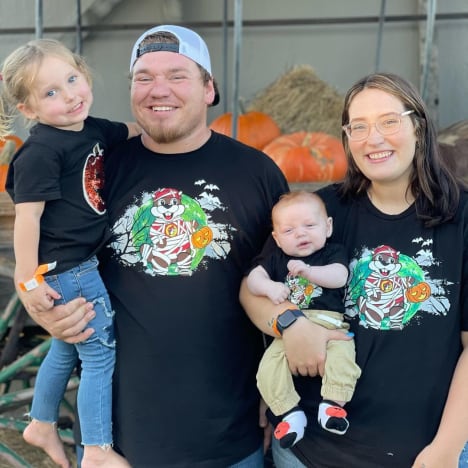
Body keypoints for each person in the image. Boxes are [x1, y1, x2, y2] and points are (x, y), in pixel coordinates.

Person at [21, 25, 290, 467]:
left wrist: (278, 392)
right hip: (120, 443)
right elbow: (48, 254)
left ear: (209, 89)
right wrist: (42, 306)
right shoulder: (95, 171)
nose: (157, 89)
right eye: (143, 77)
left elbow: (281, 286)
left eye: (177, 75)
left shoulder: (258, 174)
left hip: (230, 439)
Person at [240, 72, 468, 468]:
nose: (372, 139)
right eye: (357, 127)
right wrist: (290, 323)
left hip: (426, 454)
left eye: (388, 121)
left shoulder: (461, 216)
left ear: (419, 126)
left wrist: (446, 450)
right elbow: (250, 289)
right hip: (310, 452)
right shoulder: (321, 214)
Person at [1, 38, 141, 468]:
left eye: (72, 79)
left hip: (82, 261)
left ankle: (41, 421)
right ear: (29, 110)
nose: (69, 95)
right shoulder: (41, 153)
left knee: (68, 344)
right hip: (65, 267)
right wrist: (28, 280)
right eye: (50, 93)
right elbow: (28, 222)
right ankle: (96, 448)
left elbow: (136, 135)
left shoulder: (93, 129)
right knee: (99, 352)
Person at [247, 190, 360, 449]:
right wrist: (269, 288)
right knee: (267, 368)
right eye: (289, 231)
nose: (300, 234)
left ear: (328, 227)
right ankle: (288, 413)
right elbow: (253, 279)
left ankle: (334, 404)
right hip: (288, 332)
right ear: (275, 237)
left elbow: (339, 277)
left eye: (310, 226)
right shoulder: (276, 258)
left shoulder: (332, 252)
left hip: (329, 322)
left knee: (343, 354)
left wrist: (309, 271)